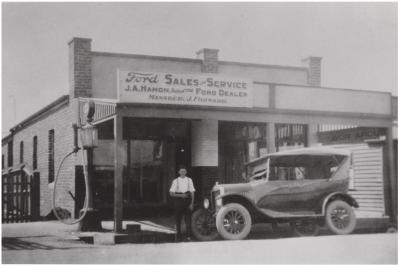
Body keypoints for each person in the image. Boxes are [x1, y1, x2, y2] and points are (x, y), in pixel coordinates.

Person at [169, 166, 195, 242]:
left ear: (186, 172)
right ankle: (178, 237)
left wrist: (192, 203)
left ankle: (188, 237)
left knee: (188, 220)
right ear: (179, 172)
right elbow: (171, 193)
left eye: (184, 171)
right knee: (178, 220)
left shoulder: (189, 180)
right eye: (181, 171)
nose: (183, 173)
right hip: (179, 201)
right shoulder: (175, 181)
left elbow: (192, 192)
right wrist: (181, 195)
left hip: (187, 200)